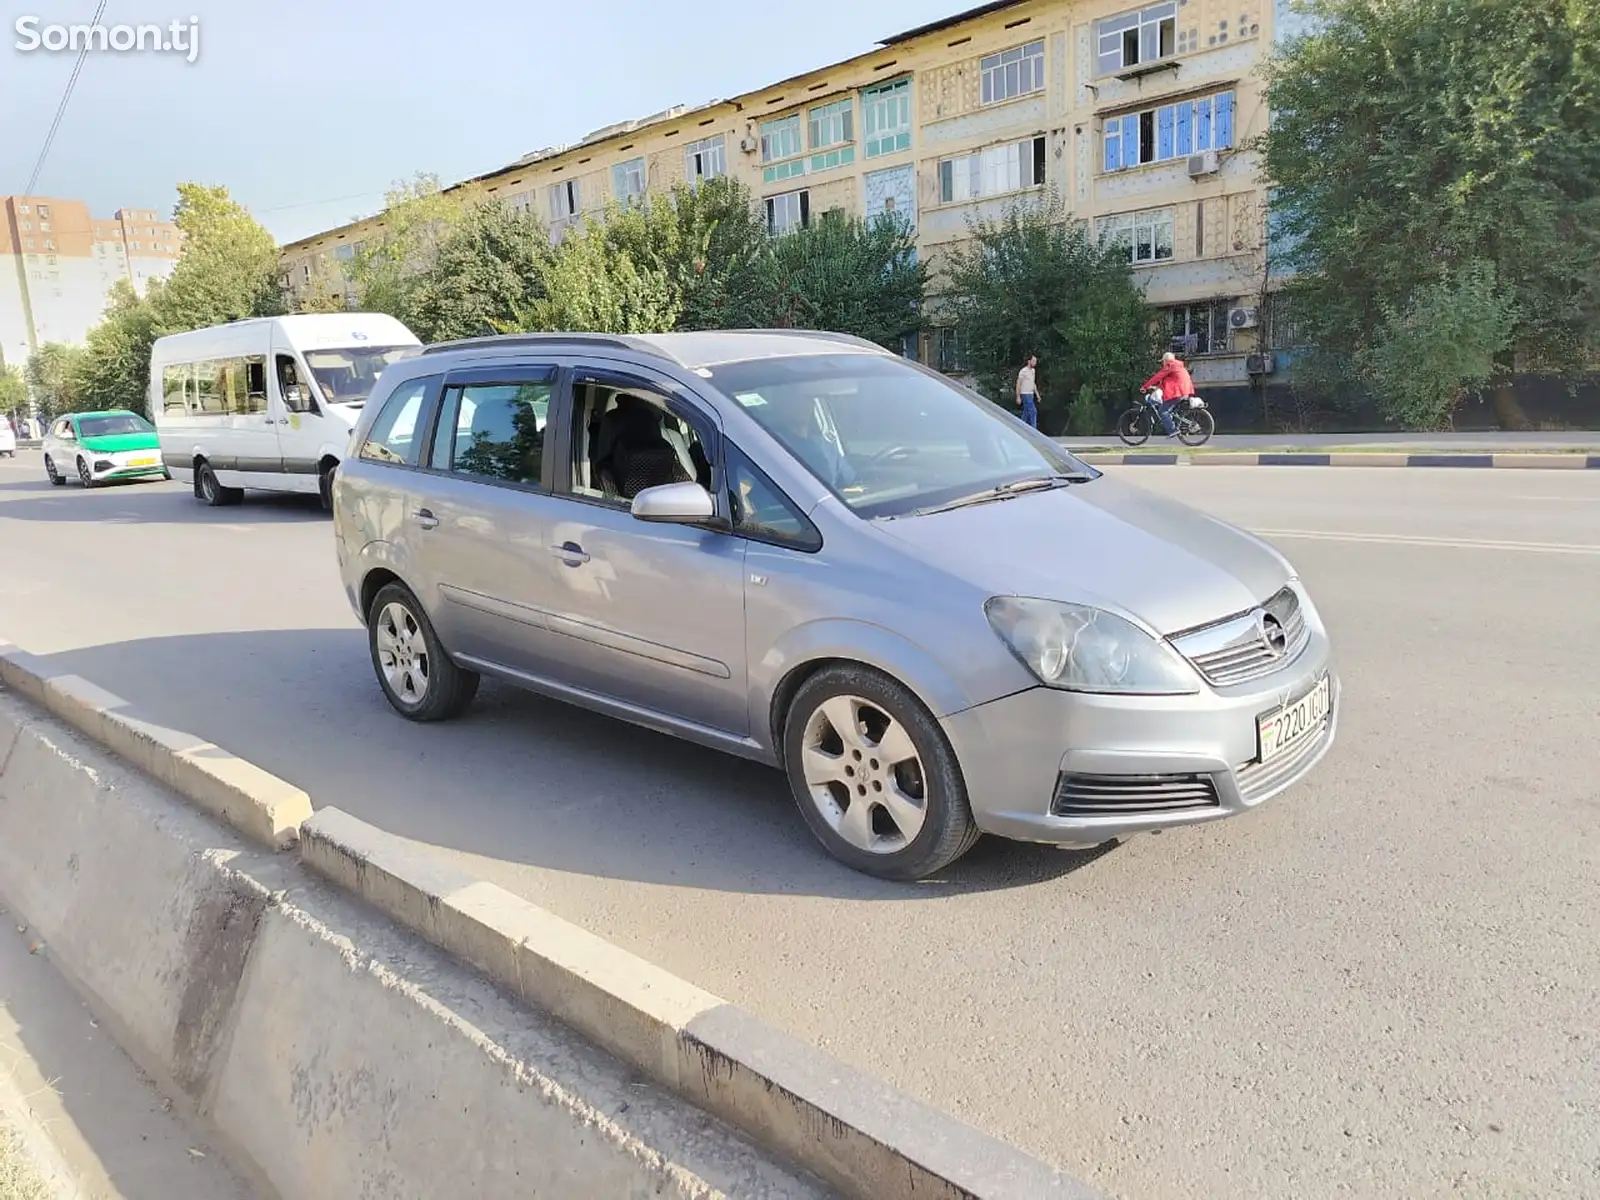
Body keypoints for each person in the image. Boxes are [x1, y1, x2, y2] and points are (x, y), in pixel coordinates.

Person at [1142, 352, 1196, 438]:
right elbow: (1169, 380)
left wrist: (1145, 386)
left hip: (1177, 392)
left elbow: (1157, 376)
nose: (1163, 363)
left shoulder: (1170, 365)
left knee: (1162, 411)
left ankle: (1172, 430)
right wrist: (1155, 387)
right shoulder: (1179, 366)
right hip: (1185, 391)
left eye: (1163, 361)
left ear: (1166, 360)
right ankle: (1174, 424)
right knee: (1169, 410)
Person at [1015, 355, 1040, 429]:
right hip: (1025, 394)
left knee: (1026, 412)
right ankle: (1034, 431)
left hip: (1031, 394)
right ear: (1029, 361)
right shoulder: (1023, 371)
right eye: (1034, 361)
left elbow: (1033, 383)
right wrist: (1018, 396)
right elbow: (1018, 384)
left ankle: (1021, 428)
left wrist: (1037, 394)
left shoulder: (1033, 371)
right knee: (1033, 411)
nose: (1035, 363)